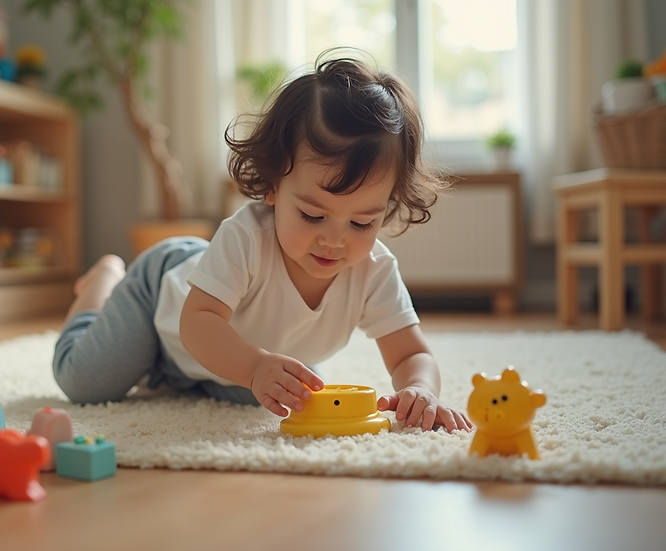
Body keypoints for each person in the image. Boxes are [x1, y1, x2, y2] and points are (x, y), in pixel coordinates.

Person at [52, 51, 472, 432]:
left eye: (363, 222)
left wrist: (422, 390)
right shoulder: (246, 236)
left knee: (286, 390)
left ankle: (174, 373)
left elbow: (409, 355)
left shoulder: (374, 270)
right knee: (85, 385)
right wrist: (254, 367)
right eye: (312, 215)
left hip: (225, 364)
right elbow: (198, 322)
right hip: (163, 305)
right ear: (272, 186)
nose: (333, 239)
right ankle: (103, 282)